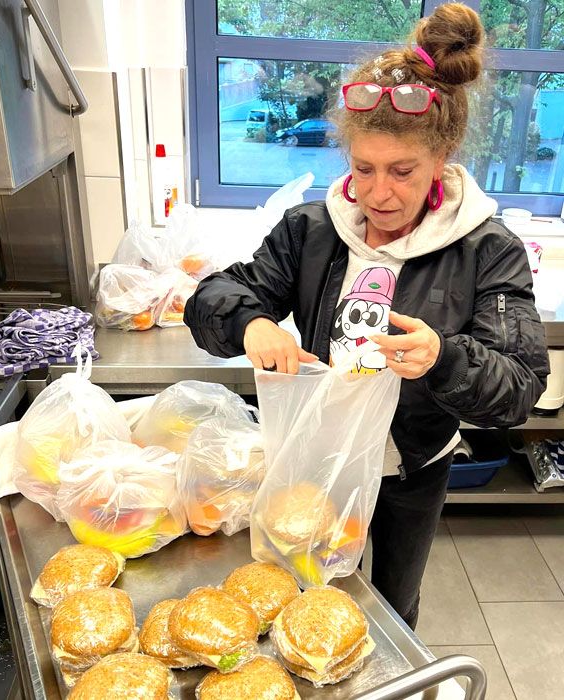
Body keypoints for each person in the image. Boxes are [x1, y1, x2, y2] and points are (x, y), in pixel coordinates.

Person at [184, 3, 549, 629]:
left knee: (391, 606)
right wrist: (253, 323)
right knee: (304, 596)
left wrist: (444, 357)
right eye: (363, 169)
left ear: (443, 156)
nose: (379, 194)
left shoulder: (487, 249)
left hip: (413, 464)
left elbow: (520, 386)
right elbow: (213, 296)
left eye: (403, 172)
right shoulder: (311, 230)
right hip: (319, 458)